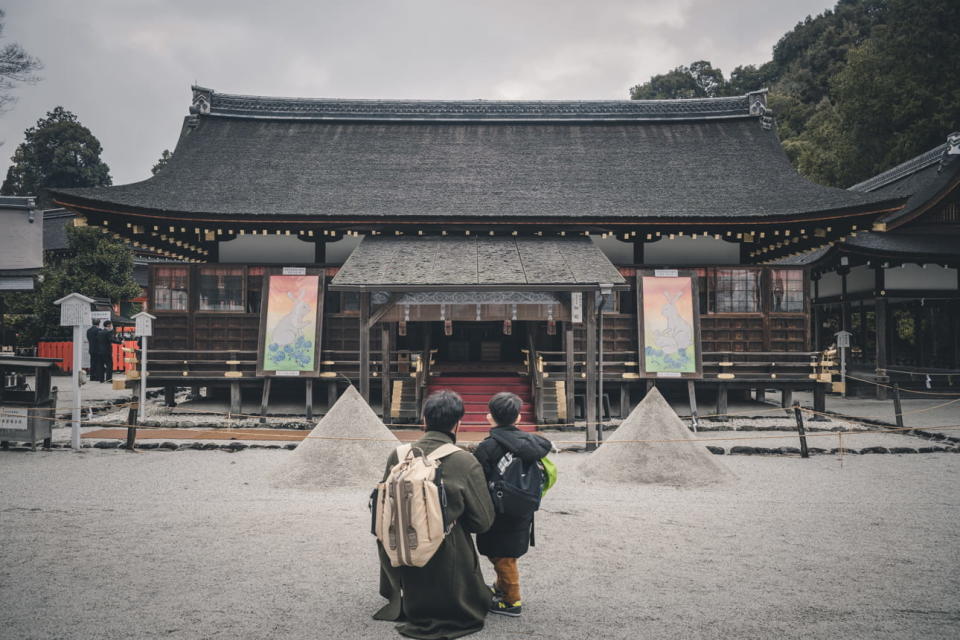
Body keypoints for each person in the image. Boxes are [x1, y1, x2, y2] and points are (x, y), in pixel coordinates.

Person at [374, 390, 495, 639]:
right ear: (458, 423)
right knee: (454, 532)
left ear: (424, 421)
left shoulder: (398, 455)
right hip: (446, 554)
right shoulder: (464, 461)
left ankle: (403, 596)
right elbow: (482, 522)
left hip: (400, 548)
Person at [472, 392, 552, 618]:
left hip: (498, 510)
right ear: (518, 418)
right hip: (523, 509)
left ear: (489, 418)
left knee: (503, 557)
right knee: (506, 554)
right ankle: (500, 587)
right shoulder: (533, 444)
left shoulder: (487, 447)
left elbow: (478, 481)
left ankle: (512, 600)